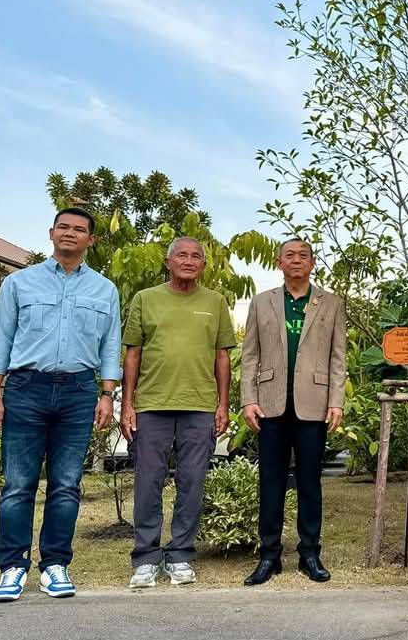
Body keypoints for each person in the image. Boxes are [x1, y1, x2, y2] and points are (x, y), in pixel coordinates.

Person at [0, 208, 121, 602]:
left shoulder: (104, 290)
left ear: (91, 239)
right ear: (51, 233)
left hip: (79, 391)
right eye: (63, 227)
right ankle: (12, 567)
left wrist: (106, 394)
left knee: (66, 484)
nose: (70, 234)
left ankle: (55, 565)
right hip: (26, 389)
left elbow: (110, 345)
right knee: (17, 485)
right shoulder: (19, 283)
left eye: (79, 229)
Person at [121, 237, 236, 589]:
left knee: (192, 482)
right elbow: (133, 353)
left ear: (203, 264)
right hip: (151, 405)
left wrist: (222, 404)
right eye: (181, 255)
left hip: (199, 406)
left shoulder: (215, 302)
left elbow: (222, 356)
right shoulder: (145, 299)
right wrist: (127, 404)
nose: (188, 261)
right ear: (168, 262)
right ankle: (145, 557)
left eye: (196, 256)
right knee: (148, 482)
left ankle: (181, 555)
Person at [241, 239, 346, 586]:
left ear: (313, 263)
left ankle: (309, 553)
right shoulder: (262, 302)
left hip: (313, 404)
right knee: (270, 481)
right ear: (279, 262)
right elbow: (250, 355)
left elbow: (337, 358)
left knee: (310, 482)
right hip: (270, 403)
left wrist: (336, 401)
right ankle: (269, 555)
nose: (297, 260)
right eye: (290, 255)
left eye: (303, 255)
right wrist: (248, 399)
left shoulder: (331, 303)